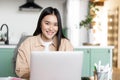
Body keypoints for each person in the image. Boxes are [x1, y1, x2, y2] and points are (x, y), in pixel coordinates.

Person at [15, 7, 73, 79]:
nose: (51, 28)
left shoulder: (66, 44)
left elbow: (71, 71)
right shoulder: (27, 43)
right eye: (47, 23)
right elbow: (21, 72)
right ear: (40, 24)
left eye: (55, 25)